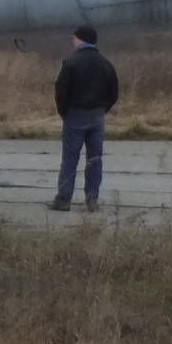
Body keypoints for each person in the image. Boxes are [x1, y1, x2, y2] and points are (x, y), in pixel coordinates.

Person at [48, 23, 119, 211]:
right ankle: (92, 200)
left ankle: (63, 200)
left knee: (70, 158)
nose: (72, 40)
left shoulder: (70, 63)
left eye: (74, 37)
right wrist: (101, 109)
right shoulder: (105, 63)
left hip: (75, 116)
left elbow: (60, 91)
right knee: (94, 159)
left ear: (81, 39)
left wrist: (64, 112)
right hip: (97, 117)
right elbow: (114, 92)